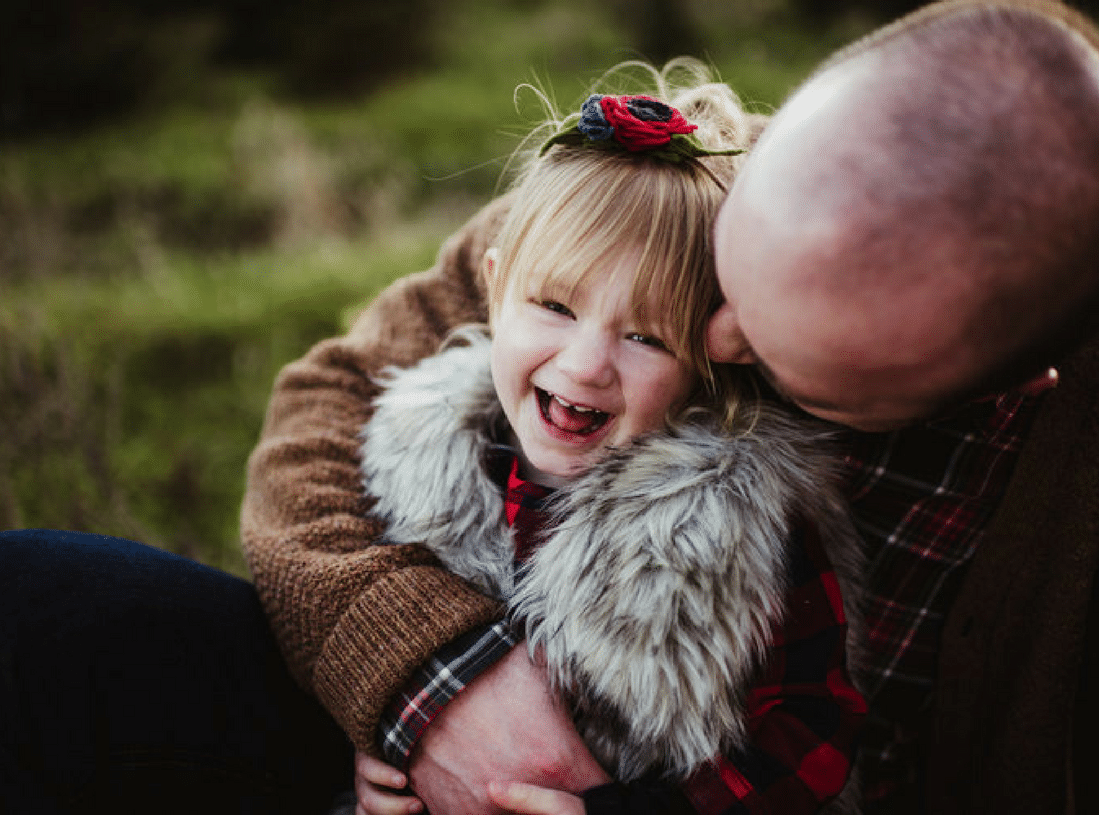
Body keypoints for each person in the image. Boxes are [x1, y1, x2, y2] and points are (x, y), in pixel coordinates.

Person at [240, 1, 1099, 814]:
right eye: (731, 270)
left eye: (776, 354)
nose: (715, 343)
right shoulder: (673, 194)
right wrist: (421, 678)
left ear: (1007, 383)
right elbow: (328, 401)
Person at [349, 74, 866, 815]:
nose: (587, 362)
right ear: (495, 292)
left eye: (646, 336)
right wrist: (385, 738)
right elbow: (377, 626)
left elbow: (812, 735)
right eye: (555, 306)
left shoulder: (740, 521)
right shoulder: (425, 455)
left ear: (705, 362)